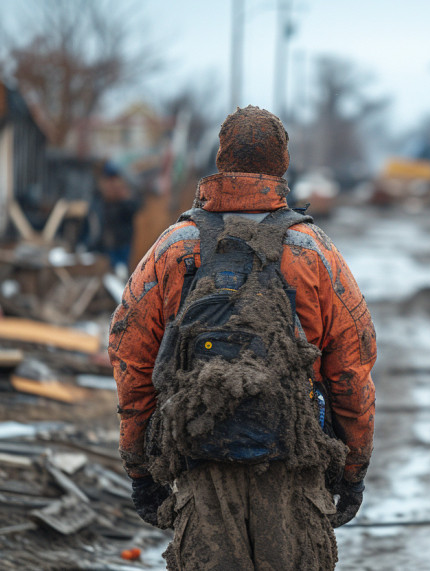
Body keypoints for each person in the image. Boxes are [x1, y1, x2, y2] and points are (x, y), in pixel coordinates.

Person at [110, 106, 376, 570]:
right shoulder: (315, 253)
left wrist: (139, 466)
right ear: (284, 164)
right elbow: (351, 370)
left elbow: (129, 359)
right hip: (294, 467)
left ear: (220, 160)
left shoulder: (174, 248)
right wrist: (352, 468)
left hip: (201, 467)